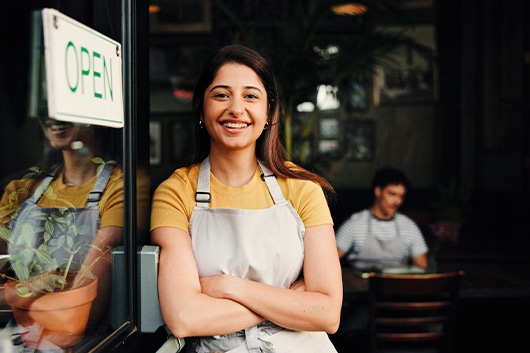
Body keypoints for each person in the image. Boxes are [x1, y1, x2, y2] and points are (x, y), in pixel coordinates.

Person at [151, 44, 342, 353]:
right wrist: (289, 304)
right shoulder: (175, 191)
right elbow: (184, 317)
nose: (236, 109)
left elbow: (328, 314)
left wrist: (227, 287)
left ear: (268, 113)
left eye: (251, 96)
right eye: (221, 95)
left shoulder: (303, 188)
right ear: (201, 109)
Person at [0, 119, 123, 343]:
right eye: (45, 107)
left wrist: (11, 294)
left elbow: (77, 313)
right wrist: (34, 287)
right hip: (15, 338)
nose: (52, 117)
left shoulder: (121, 187)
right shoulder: (22, 189)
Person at [336, 167, 428, 270]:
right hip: (361, 284)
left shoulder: (409, 226)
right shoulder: (355, 224)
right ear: (378, 191)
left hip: (397, 284)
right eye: (392, 194)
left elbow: (422, 266)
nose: (397, 201)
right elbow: (331, 259)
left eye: (401, 196)